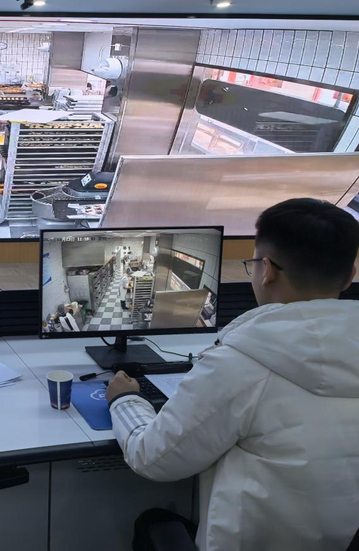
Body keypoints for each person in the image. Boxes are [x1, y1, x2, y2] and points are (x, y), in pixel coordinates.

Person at [106, 198, 359, 551]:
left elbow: (153, 457)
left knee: (154, 522)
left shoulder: (242, 363)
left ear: (266, 270)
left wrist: (124, 400)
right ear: (350, 276)